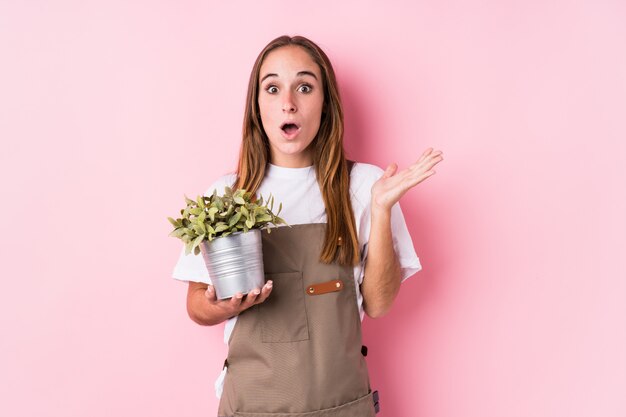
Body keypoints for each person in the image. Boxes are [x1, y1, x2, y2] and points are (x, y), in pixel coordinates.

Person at [172, 34, 443, 417]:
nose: (288, 103)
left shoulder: (367, 186)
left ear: (325, 103)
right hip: (251, 406)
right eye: (272, 88)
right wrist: (220, 305)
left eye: (304, 87)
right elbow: (196, 306)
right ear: (257, 107)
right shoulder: (226, 196)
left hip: (341, 405)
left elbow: (379, 304)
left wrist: (381, 208)